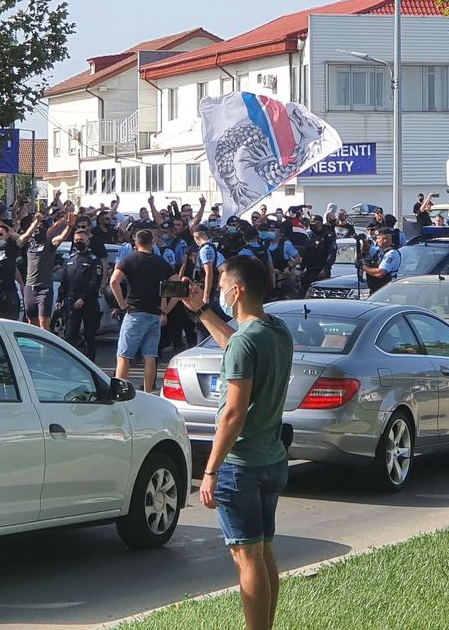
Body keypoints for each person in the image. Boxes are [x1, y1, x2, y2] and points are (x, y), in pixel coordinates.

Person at [183, 256, 293, 630]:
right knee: (262, 552)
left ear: (237, 289)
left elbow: (233, 413)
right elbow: (237, 344)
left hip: (240, 465)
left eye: (220, 287)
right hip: (272, 459)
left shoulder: (247, 342)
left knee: (246, 556)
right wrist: (201, 310)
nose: (219, 291)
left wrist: (210, 469)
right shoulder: (275, 330)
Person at [109, 229, 174, 392]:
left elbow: (114, 281)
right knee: (150, 355)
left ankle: (120, 391)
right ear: (152, 242)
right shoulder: (161, 262)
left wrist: (122, 304)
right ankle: (148, 391)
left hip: (135, 312)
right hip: (154, 313)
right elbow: (179, 286)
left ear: (135, 243)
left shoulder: (129, 259)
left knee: (124, 355)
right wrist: (167, 308)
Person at [22, 204, 75, 329]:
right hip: (30, 287)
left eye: (41, 228)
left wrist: (69, 226)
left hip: (44, 288)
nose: (37, 230)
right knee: (31, 323)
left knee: (44, 323)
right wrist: (36, 221)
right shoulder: (28, 243)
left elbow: (61, 237)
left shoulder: (50, 243)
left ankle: (45, 348)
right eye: (36, 228)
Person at [59, 227, 105, 360]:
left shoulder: (93, 260)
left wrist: (83, 298)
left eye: (82, 240)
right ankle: (70, 360)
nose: (79, 242)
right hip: (71, 301)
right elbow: (64, 280)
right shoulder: (70, 258)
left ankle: (90, 360)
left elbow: (95, 281)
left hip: (88, 302)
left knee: (89, 334)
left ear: (88, 241)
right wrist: (60, 298)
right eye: (77, 240)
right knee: (70, 334)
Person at [360, 229, 401, 294]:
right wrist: (364, 240)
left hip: (385, 291)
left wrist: (362, 266)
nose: (376, 241)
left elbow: (380, 273)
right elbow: (368, 248)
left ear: (385, 240)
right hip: (376, 290)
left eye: (378, 238)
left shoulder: (392, 253)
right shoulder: (381, 251)